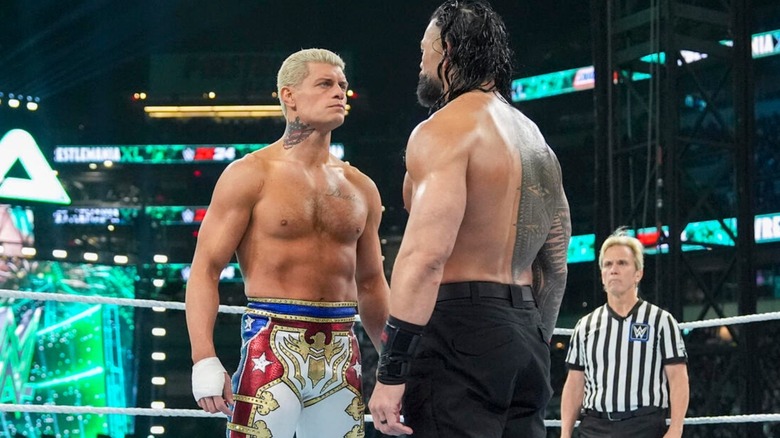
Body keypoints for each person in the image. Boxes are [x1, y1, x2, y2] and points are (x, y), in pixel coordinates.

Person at [368, 1, 572, 437]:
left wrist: (391, 371)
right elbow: (555, 262)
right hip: (526, 334)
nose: (420, 61)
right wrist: (531, 339)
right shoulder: (534, 139)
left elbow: (424, 257)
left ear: (447, 48)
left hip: (460, 330)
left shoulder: (443, 130)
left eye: (424, 49)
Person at [184, 48, 389, 438]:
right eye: (325, 84)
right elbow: (206, 270)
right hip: (271, 342)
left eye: (343, 85)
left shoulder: (361, 187)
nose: (339, 93)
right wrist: (203, 357)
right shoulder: (250, 174)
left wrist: (395, 366)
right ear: (288, 95)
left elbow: (372, 284)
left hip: (344, 348)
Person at [560, 228, 689, 438]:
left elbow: (678, 377)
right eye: (608, 264)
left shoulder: (661, 321)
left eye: (622, 263)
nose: (613, 269)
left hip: (643, 425)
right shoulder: (585, 326)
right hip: (594, 426)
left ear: (638, 273)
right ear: (602, 274)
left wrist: (676, 428)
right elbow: (575, 382)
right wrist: (565, 433)